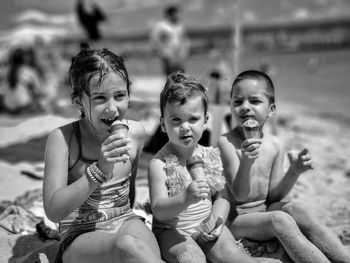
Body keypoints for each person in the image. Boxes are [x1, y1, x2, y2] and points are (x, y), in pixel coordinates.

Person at [43, 47, 164, 263]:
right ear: (78, 100)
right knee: (126, 246)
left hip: (125, 218)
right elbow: (53, 211)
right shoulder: (62, 140)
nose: (112, 108)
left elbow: (129, 194)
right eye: (100, 98)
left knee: (137, 247)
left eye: (120, 95)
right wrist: (99, 169)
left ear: (129, 93)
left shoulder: (135, 132)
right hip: (79, 234)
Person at [218, 70, 350, 263]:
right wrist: (246, 163)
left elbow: (275, 195)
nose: (245, 107)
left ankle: (343, 258)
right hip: (238, 220)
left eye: (254, 101)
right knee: (279, 220)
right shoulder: (226, 143)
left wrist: (294, 172)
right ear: (230, 107)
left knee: (298, 209)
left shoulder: (275, 144)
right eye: (238, 102)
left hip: (266, 209)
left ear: (271, 109)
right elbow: (239, 195)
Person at [148, 71, 258, 263]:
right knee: (192, 259)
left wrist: (217, 222)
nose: (185, 127)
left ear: (205, 121)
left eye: (193, 119)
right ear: (163, 125)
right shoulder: (159, 164)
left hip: (206, 223)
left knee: (234, 256)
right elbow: (158, 210)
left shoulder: (210, 155)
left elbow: (221, 198)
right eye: (176, 120)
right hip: (172, 231)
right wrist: (186, 197)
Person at [1, 46, 45, 114]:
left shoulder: (5, 71)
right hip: (24, 107)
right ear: (23, 58)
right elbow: (39, 91)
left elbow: (2, 92)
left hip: (8, 108)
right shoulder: (29, 71)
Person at [150, 4, 190, 77]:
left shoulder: (179, 26)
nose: (178, 16)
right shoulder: (161, 26)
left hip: (179, 56)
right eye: (176, 13)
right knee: (170, 77)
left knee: (181, 76)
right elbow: (155, 40)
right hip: (168, 55)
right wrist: (161, 52)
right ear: (169, 15)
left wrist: (184, 52)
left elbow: (184, 39)